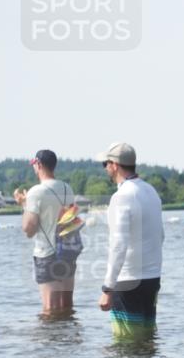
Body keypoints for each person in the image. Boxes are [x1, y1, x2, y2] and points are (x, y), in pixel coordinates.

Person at [95, 142, 165, 341]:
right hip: (152, 278)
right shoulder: (151, 191)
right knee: (147, 342)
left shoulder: (121, 197)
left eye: (105, 164)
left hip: (128, 281)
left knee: (125, 344)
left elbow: (118, 245)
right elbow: (161, 235)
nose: (105, 168)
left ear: (115, 165)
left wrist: (107, 288)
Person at [13, 150, 79, 316]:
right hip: (67, 252)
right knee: (67, 307)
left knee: (50, 310)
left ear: (39, 164)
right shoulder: (67, 188)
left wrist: (24, 205)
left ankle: (49, 335)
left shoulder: (36, 192)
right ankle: (68, 334)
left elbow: (29, 229)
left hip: (47, 254)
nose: (34, 168)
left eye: (34, 164)